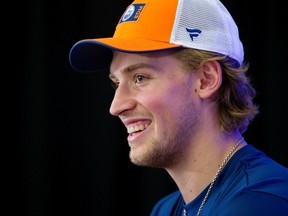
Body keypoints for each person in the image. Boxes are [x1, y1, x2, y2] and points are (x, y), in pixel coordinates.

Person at [69, 0, 288, 215]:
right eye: (116, 83)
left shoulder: (260, 203)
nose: (116, 107)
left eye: (140, 78)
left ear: (206, 80)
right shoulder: (165, 209)